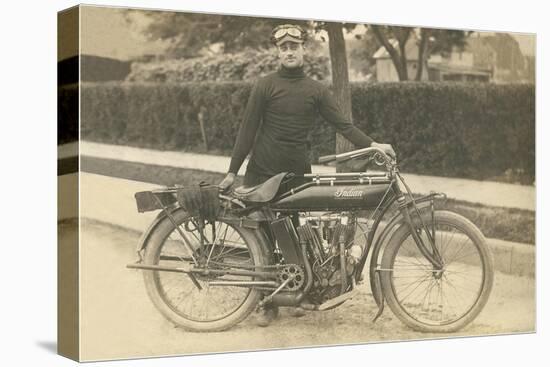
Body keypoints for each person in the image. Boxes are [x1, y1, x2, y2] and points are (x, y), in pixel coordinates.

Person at [219, 24, 395, 326]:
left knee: (293, 235)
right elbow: (247, 130)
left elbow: (344, 125)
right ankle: (265, 303)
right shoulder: (265, 85)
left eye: (294, 46)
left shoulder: (316, 90)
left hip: (296, 173)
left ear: (303, 49)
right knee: (261, 235)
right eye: (283, 47)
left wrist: (373, 145)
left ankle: (293, 291)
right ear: (278, 51)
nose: (289, 51)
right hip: (261, 170)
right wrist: (232, 172)